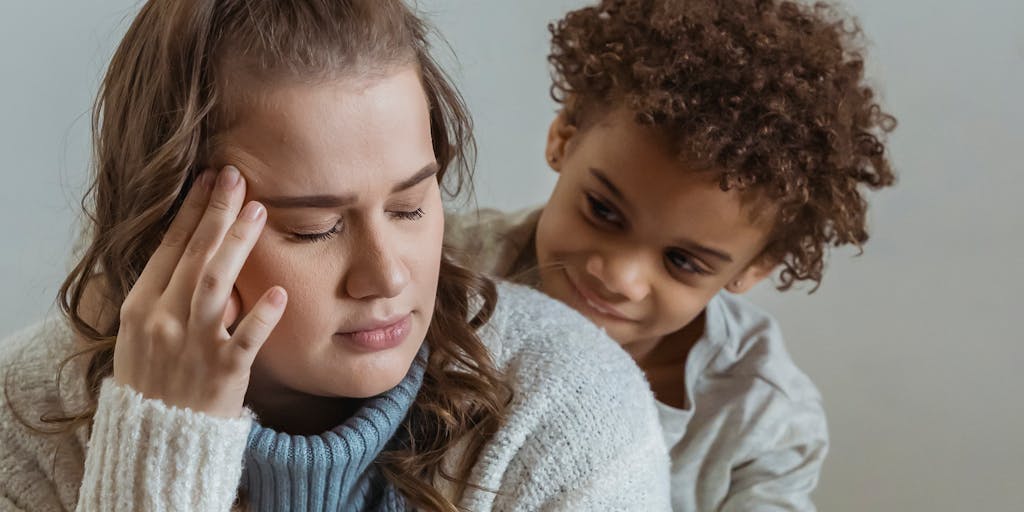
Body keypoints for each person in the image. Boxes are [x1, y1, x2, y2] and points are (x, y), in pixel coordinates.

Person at [0, 1, 670, 510]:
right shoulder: (27, 417)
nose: (388, 275)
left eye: (410, 208)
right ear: (163, 228)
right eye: (314, 227)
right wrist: (160, 446)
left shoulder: (569, 413)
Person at [447, 0, 897, 509]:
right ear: (564, 138)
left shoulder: (762, 419)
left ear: (753, 268)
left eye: (682, 262)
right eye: (602, 211)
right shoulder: (450, 265)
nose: (619, 276)